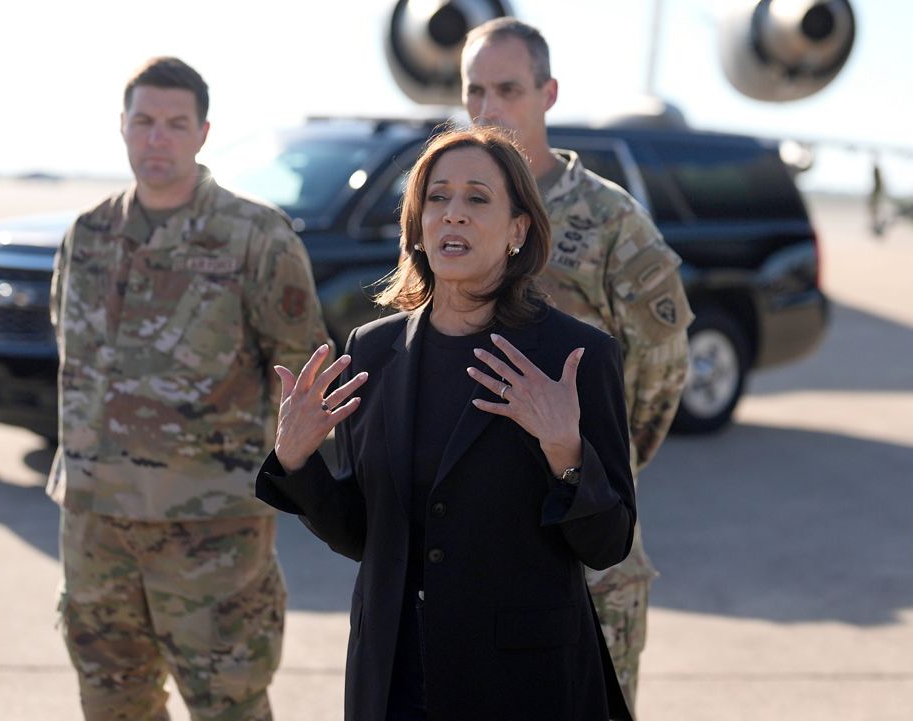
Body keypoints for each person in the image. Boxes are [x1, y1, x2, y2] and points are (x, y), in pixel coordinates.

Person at [255, 126, 636, 721]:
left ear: (518, 229)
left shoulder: (574, 356)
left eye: (477, 199)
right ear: (417, 223)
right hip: (395, 675)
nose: (452, 215)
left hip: (521, 684)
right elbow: (363, 535)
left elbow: (608, 543)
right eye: (437, 198)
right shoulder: (373, 351)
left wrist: (566, 452)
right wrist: (298, 462)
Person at [49, 56, 330, 721]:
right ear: (122, 126)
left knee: (228, 705)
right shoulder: (87, 235)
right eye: (143, 121)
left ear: (204, 133)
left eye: (176, 124)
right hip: (95, 525)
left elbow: (305, 375)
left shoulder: (255, 237)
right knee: (112, 700)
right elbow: (74, 352)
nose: (157, 139)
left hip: (212, 530)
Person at [461, 18, 693, 709]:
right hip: (476, 548)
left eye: (507, 89)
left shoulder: (609, 220)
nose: (487, 108)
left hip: (585, 550)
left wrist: (598, 464)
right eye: (474, 91)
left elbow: (661, 368)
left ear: (547, 93)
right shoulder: (451, 210)